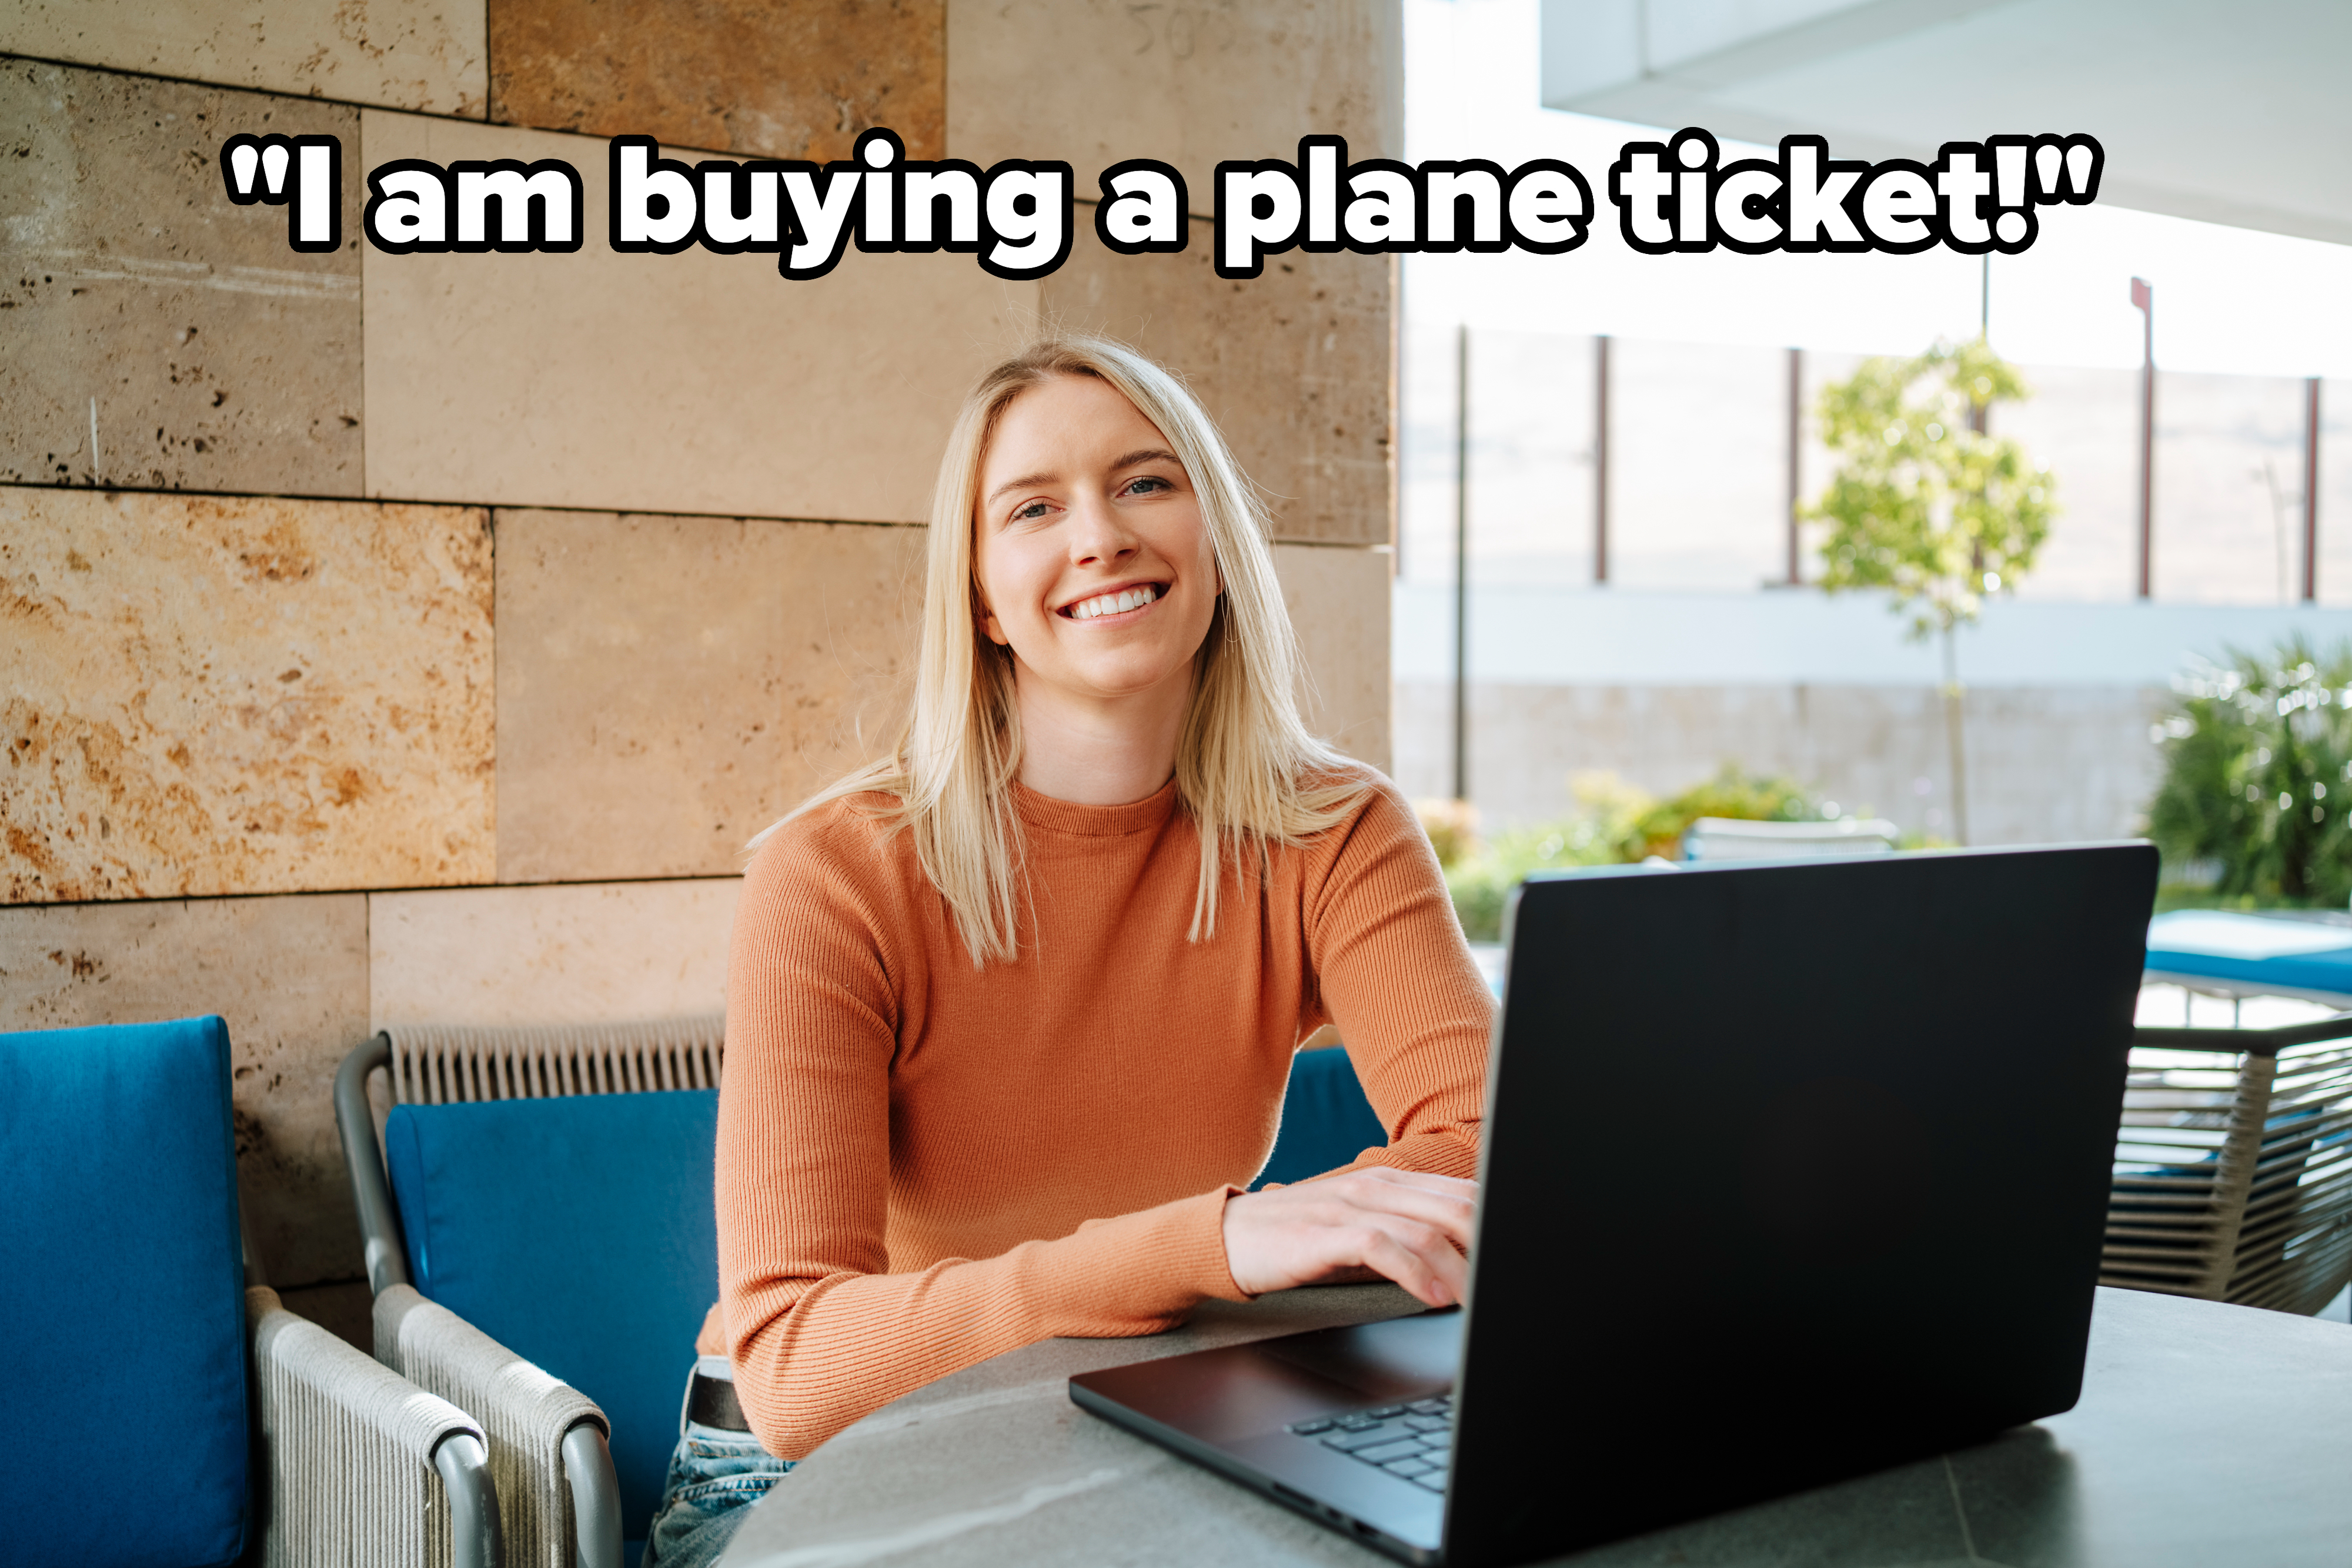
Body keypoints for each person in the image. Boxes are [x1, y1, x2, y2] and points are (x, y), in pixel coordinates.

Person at [643, 336, 1495, 1566]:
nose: (1098, 534)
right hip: (802, 1471)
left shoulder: (1331, 829)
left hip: (1138, 1419)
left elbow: (1487, 1154)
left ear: (1215, 544)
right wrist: (1214, 1243)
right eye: (1034, 507)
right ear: (983, 597)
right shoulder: (834, 871)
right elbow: (795, 1361)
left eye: (1145, 481)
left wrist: (1250, 1252)